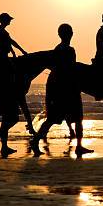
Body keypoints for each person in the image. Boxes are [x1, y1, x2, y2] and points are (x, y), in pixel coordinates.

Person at [32, 24, 92, 156]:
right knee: (77, 118)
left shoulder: (57, 49)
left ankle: (35, 140)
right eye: (70, 32)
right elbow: (71, 69)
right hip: (68, 88)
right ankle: (79, 147)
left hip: (56, 88)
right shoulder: (70, 50)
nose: (71, 34)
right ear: (69, 34)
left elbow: (57, 69)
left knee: (53, 119)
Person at [0, 13, 27, 156]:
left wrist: (20, 51)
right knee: (13, 118)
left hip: (1, 62)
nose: (10, 21)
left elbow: (11, 43)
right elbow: (6, 46)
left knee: (7, 119)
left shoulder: (3, 32)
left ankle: (3, 146)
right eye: (8, 19)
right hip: (0, 65)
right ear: (5, 21)